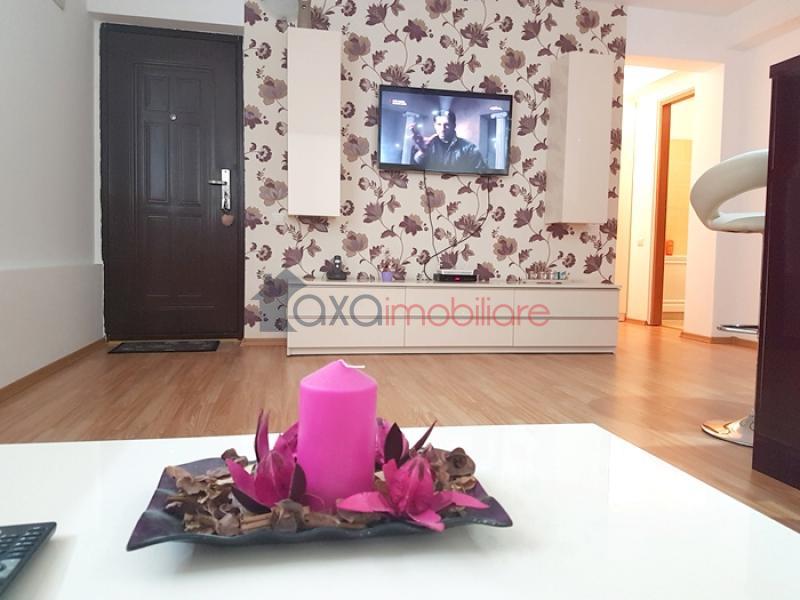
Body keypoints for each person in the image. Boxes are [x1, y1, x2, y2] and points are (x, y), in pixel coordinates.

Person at [411, 110, 488, 172]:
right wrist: (423, 151)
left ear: (454, 125)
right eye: (439, 124)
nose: (442, 129)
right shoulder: (428, 145)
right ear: (434, 126)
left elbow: (481, 173)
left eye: (446, 125)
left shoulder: (469, 148)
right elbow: (416, 170)